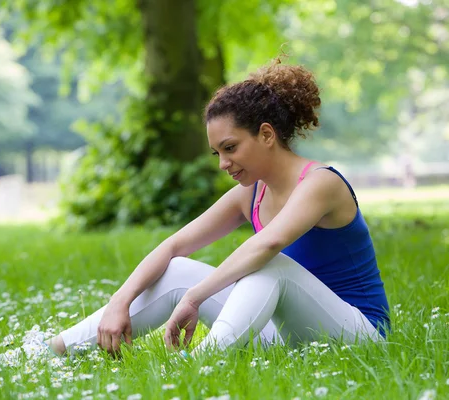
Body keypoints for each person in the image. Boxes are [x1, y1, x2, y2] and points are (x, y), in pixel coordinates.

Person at [44, 58, 390, 357]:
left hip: (358, 335)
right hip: (289, 336)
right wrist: (120, 300)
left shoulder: (320, 182)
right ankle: (49, 351)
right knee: (177, 268)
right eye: (217, 153)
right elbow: (174, 246)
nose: (223, 163)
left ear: (267, 135)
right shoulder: (251, 194)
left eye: (231, 147)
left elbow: (268, 245)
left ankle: (198, 367)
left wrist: (196, 298)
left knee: (272, 265)